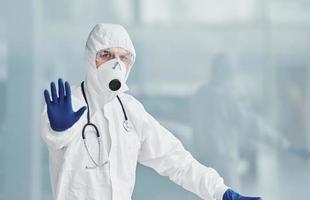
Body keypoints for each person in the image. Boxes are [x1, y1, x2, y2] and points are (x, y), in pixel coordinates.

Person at [41, 23, 262, 200]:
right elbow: (53, 139)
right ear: (91, 57)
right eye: (106, 55)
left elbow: (175, 159)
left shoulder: (130, 111)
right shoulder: (68, 102)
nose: (115, 65)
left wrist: (220, 192)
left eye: (123, 57)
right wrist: (59, 130)